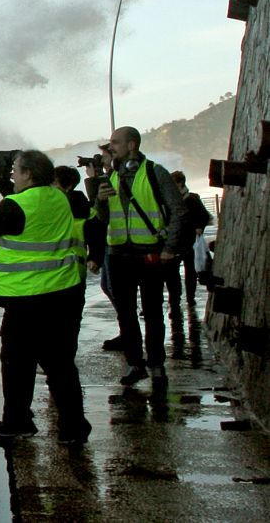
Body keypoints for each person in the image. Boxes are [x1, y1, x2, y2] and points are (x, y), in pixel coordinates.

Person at [0, 149, 92, 444]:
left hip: (28, 298)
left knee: (16, 363)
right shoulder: (56, 197)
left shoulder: (19, 207)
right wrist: (4, 185)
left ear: (29, 175)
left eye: (16, 172)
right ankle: (74, 427)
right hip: (63, 292)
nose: (14, 176)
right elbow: (23, 202)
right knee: (60, 364)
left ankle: (17, 421)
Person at [92, 126, 187, 386]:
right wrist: (100, 201)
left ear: (131, 145)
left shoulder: (155, 172)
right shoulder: (111, 177)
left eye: (115, 142)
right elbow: (103, 218)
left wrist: (169, 248)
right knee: (125, 313)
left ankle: (156, 364)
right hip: (119, 254)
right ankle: (136, 364)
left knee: (153, 312)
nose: (110, 147)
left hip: (149, 254)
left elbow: (178, 211)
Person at [170, 171, 211, 304]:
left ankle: (189, 298)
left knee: (190, 271)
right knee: (175, 272)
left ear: (180, 183)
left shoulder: (191, 199)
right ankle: (177, 297)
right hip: (178, 241)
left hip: (189, 241)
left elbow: (204, 216)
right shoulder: (173, 200)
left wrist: (199, 227)